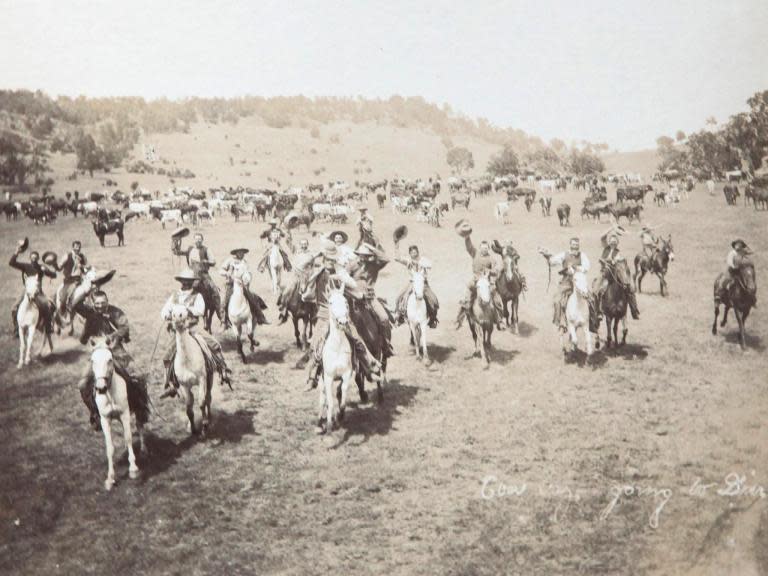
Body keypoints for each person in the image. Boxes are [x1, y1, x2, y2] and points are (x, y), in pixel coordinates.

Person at [302, 245, 381, 390]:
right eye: (327, 259)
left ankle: (369, 369)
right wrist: (315, 260)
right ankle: (312, 377)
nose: (330, 262)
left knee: (357, 339)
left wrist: (345, 280)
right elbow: (305, 283)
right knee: (317, 342)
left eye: (333, 260)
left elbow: (352, 287)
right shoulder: (317, 274)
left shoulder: (341, 273)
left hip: (342, 315)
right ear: (323, 259)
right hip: (325, 315)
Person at [75, 290, 148, 431]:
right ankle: (95, 412)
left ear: (107, 301)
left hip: (116, 351)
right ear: (93, 303)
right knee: (83, 384)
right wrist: (85, 290)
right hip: (97, 353)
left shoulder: (115, 312)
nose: (100, 306)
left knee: (136, 377)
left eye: (103, 302)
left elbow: (124, 327)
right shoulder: (89, 313)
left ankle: (140, 412)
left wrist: (113, 336)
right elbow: (75, 304)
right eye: (97, 303)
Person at [159, 269, 233, 399]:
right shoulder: (175, 295)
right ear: (180, 281)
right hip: (178, 330)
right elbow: (164, 310)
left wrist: (186, 310)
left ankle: (223, 369)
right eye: (183, 281)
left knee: (213, 343)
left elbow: (200, 310)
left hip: (192, 328)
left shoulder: (197, 296)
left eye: (188, 281)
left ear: (192, 283)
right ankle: (170, 383)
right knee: (167, 355)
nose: (185, 283)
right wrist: (167, 315)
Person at [539, 237, 597, 332]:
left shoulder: (582, 255)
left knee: (591, 299)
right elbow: (553, 262)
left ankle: (593, 322)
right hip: (566, 281)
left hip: (579, 281)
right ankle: (561, 322)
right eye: (573, 245)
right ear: (570, 245)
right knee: (557, 300)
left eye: (577, 245)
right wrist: (546, 255)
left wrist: (576, 268)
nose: (575, 247)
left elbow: (586, 267)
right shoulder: (564, 254)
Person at [457, 230, 505, 331]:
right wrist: (467, 237)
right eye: (483, 248)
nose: (484, 250)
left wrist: (490, 271)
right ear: (479, 248)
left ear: (488, 249)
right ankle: (461, 318)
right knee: (467, 298)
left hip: (487, 282)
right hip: (475, 280)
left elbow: (496, 270)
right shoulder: (475, 254)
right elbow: (469, 247)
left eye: (486, 248)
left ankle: (499, 319)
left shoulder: (491, 258)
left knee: (496, 298)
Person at [9, 242, 57, 337]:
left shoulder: (41, 267)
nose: (34, 259)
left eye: (35, 258)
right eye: (32, 257)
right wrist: (16, 252)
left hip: (38, 292)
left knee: (48, 306)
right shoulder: (25, 266)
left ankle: (48, 327)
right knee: (14, 308)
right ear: (30, 258)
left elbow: (54, 275)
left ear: (38, 259)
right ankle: (17, 330)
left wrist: (47, 270)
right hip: (26, 291)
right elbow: (12, 263)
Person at [172, 232, 222, 322]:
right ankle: (176, 309)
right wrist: (175, 242)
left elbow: (213, 261)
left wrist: (207, 261)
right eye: (196, 238)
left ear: (202, 240)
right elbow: (177, 252)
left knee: (215, 290)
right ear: (194, 240)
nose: (198, 240)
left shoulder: (206, 249)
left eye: (200, 239)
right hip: (191, 275)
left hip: (203, 274)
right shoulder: (190, 249)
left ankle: (221, 316)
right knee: (182, 290)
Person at [595, 225, 640, 320]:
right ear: (609, 241)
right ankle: (598, 311)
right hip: (604, 274)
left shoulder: (618, 252)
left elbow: (622, 262)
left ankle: (634, 310)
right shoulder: (605, 248)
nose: (613, 242)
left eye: (615, 241)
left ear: (617, 243)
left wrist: (617, 260)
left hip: (615, 275)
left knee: (629, 289)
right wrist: (611, 228)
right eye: (612, 240)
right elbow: (602, 236)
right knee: (597, 289)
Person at [393, 244, 439, 328]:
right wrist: (396, 246)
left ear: (418, 252)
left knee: (434, 300)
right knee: (399, 298)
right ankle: (400, 317)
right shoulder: (408, 260)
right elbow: (397, 258)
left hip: (423, 283)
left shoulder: (423, 259)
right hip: (412, 283)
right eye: (411, 252)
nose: (413, 254)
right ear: (409, 254)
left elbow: (430, 265)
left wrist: (418, 262)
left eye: (415, 252)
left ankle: (432, 319)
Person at [220, 248, 269, 326]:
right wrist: (227, 273)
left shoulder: (244, 262)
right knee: (224, 302)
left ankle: (260, 317)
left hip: (242, 285)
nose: (242, 254)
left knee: (253, 298)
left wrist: (248, 278)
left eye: (243, 253)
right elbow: (221, 271)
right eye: (240, 253)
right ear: (236, 253)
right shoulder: (229, 260)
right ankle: (223, 322)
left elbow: (248, 273)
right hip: (230, 285)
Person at [277, 238, 317, 323]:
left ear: (307, 245)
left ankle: (314, 312)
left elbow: (310, 264)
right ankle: (283, 310)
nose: (303, 245)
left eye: (305, 244)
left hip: (306, 277)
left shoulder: (310, 254)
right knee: (287, 291)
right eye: (302, 244)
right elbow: (289, 245)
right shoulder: (297, 253)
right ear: (300, 245)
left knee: (310, 293)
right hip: (296, 276)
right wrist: (287, 238)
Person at [56, 240, 88, 314]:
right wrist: (55, 265)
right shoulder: (67, 255)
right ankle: (62, 311)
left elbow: (86, 267)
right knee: (63, 298)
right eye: (76, 246)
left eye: (79, 246)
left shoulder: (82, 256)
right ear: (73, 247)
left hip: (79, 280)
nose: (78, 248)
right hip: (69, 280)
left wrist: (83, 267)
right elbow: (59, 267)